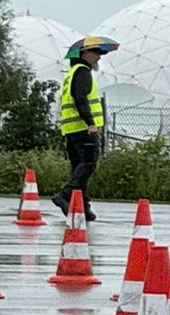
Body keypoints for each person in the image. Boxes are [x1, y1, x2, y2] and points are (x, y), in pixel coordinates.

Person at [50, 37, 119, 219]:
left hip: (72, 130)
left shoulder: (73, 72)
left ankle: (81, 205)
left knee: (79, 168)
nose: (99, 57)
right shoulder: (82, 72)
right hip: (84, 129)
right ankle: (65, 195)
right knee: (89, 164)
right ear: (85, 53)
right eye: (96, 52)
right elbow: (80, 99)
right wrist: (91, 123)